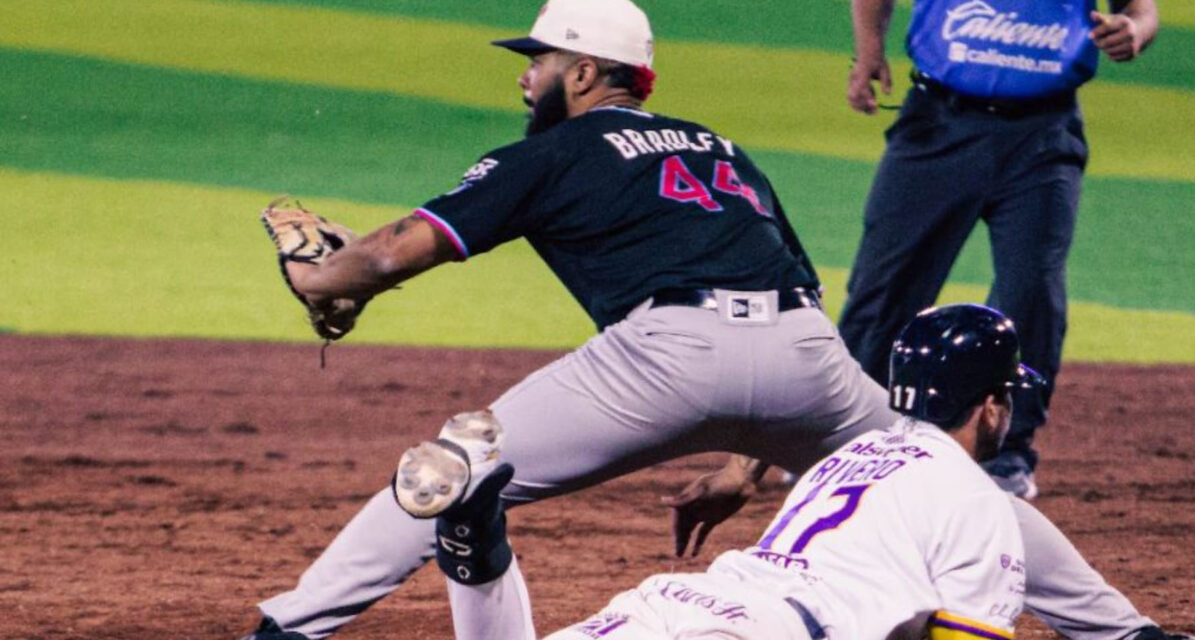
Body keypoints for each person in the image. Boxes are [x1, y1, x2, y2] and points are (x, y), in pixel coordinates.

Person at [242, 0, 900, 637]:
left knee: (452, 471)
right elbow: (788, 292)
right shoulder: (721, 149)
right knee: (935, 476)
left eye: (540, 61)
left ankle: (288, 630)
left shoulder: (552, 152)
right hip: (809, 361)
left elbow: (390, 254)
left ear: (583, 73)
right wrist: (746, 467)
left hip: (664, 362)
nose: (526, 77)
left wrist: (314, 278)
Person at [408, 305, 1195, 640]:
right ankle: (477, 531)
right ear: (992, 408)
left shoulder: (840, 461)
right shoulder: (977, 502)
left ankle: (476, 534)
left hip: (659, 611)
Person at [836, 0, 1160, 499]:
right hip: (937, 122)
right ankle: (847, 437)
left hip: (1045, 135)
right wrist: (869, 53)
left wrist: (1133, 31)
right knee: (885, 288)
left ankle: (1005, 452)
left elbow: (1140, 10)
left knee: (1031, 289)